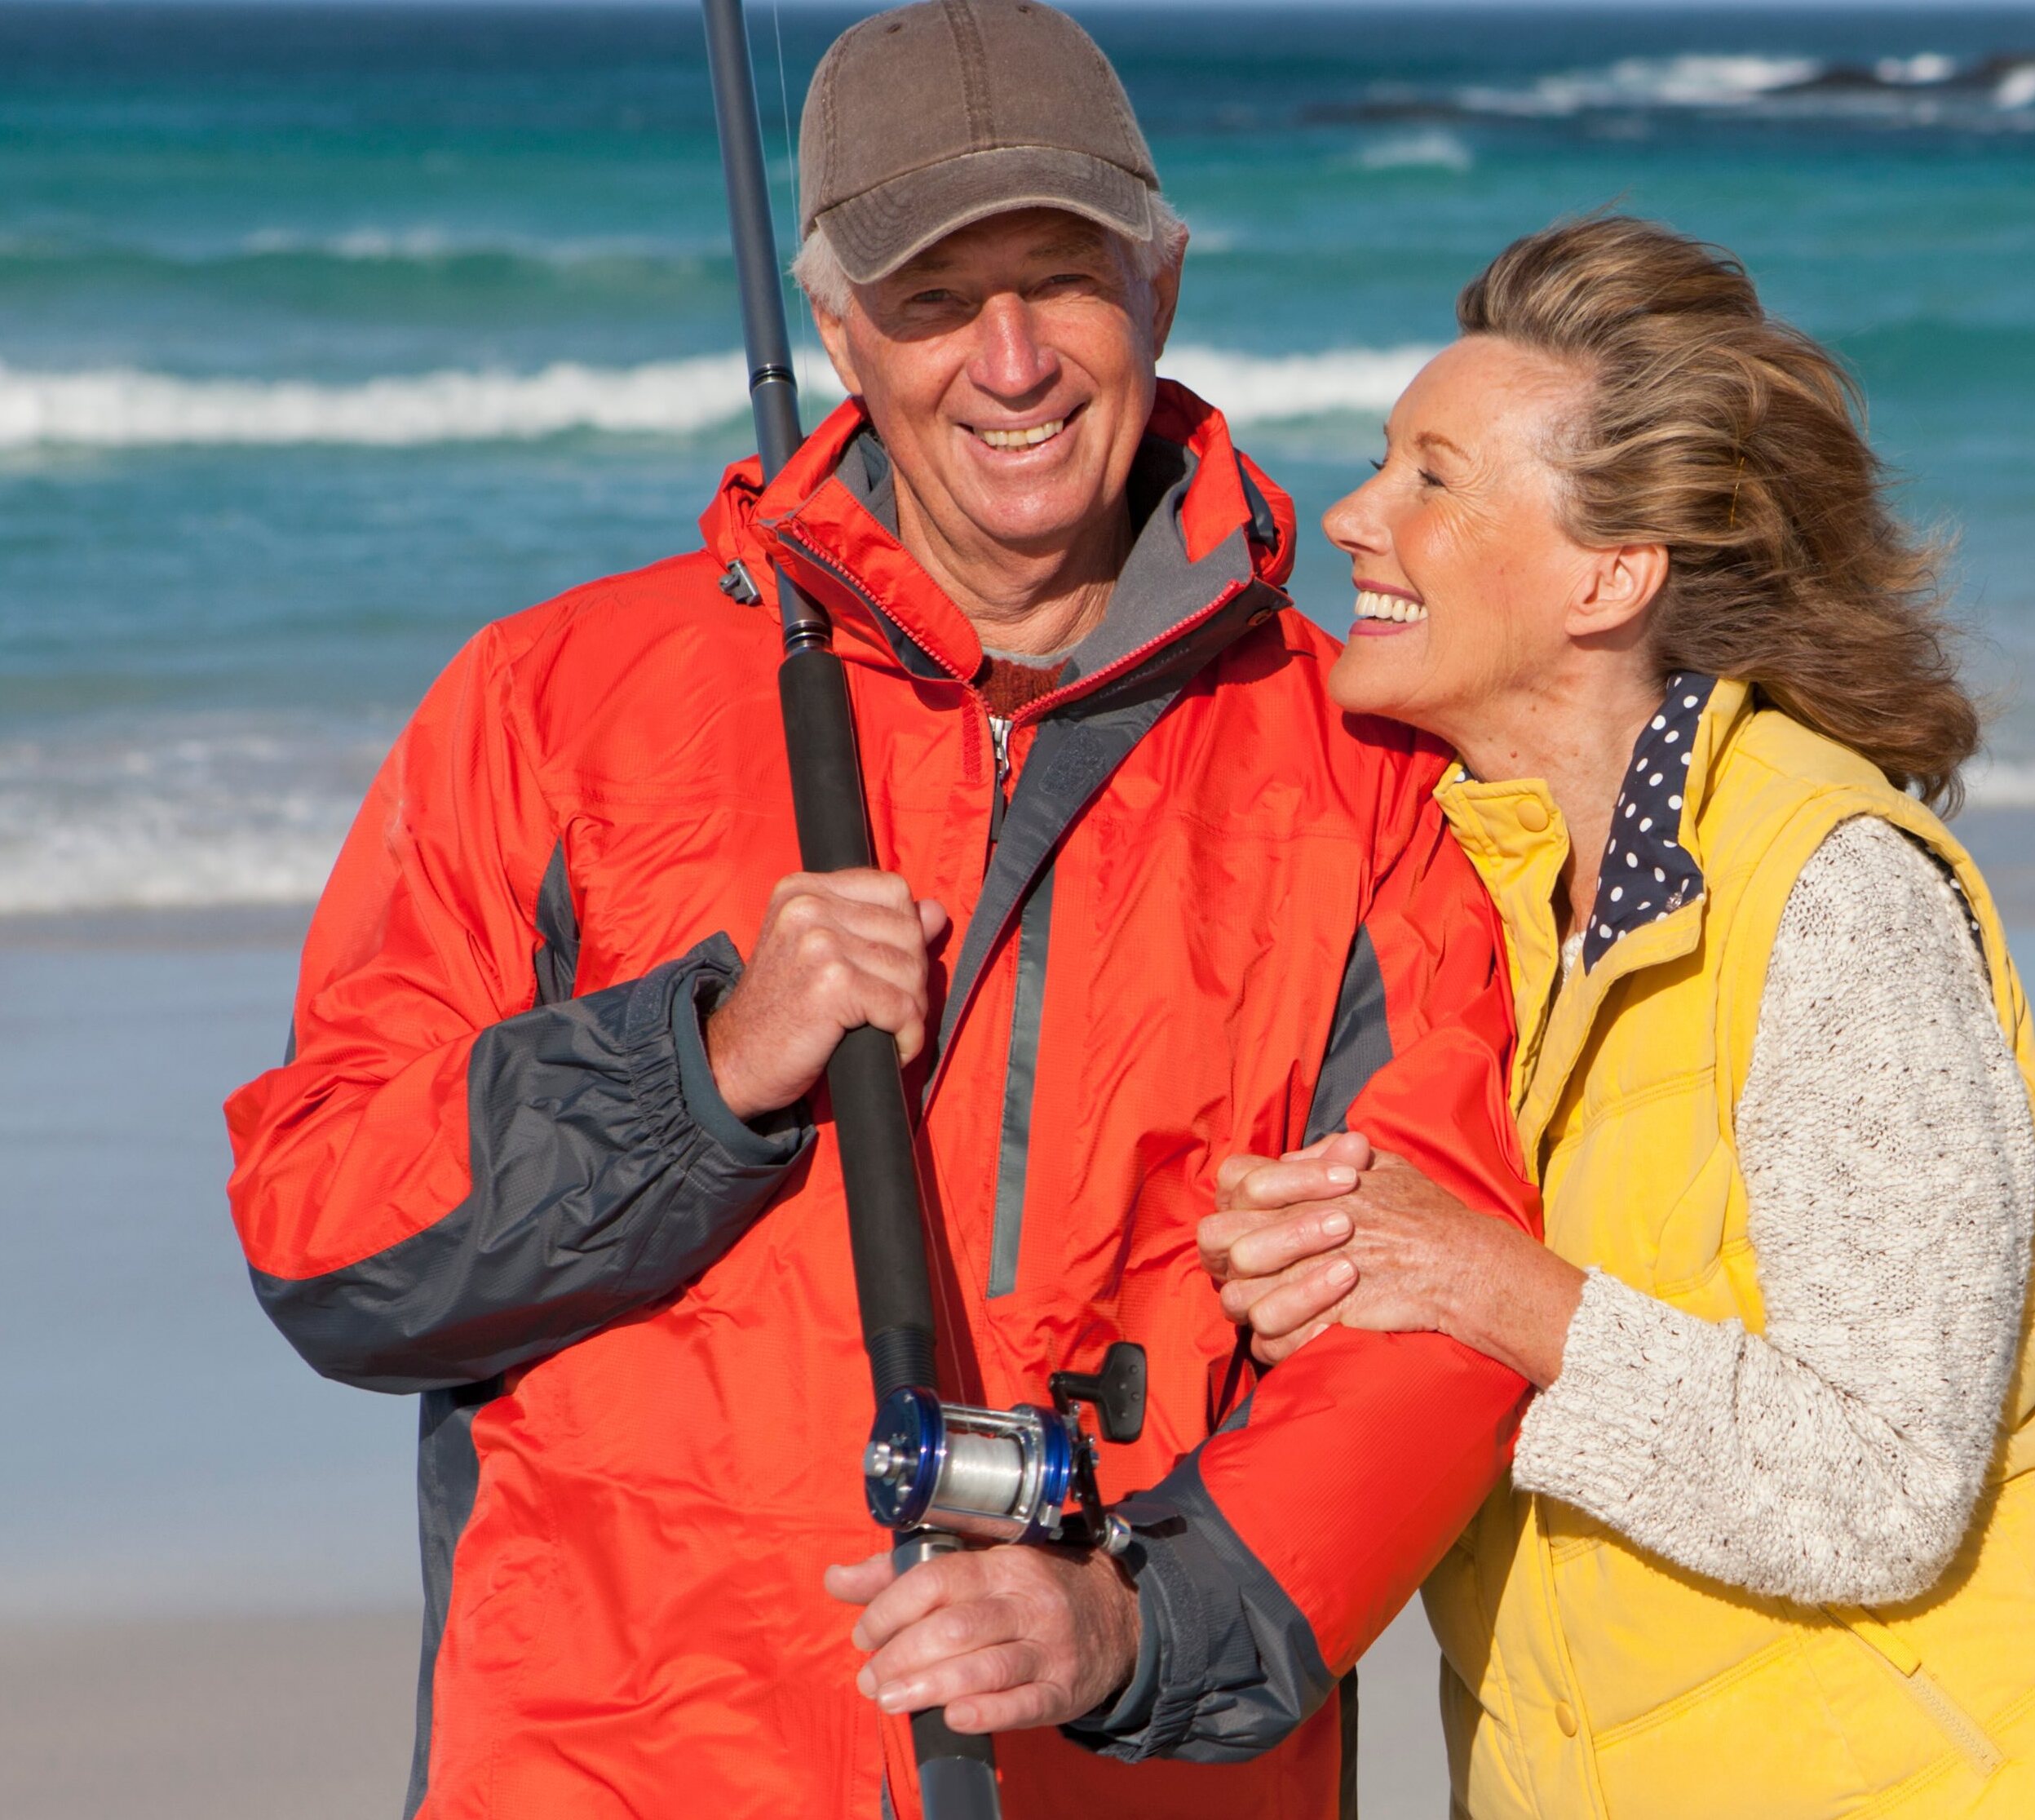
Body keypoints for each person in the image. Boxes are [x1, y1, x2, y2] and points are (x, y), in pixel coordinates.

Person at [220, 5, 1536, 1815]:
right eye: (931, 297)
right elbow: (327, 1241)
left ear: (1159, 284)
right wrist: (699, 1069)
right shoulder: (546, 699)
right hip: (621, 1764)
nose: (1008, 361)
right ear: (839, 329)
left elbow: (1435, 1310)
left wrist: (1139, 1629)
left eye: (1061, 279)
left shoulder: (1357, 755)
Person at [1199, 215, 2035, 1818]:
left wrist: (1491, 1290)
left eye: (1432, 476)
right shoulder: (1461, 898)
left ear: (1607, 575)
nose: (1351, 517)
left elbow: (1882, 1486)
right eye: (1379, 464)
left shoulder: (1830, 894)